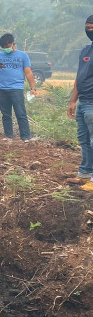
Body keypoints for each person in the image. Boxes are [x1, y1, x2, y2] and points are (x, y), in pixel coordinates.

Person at [0, 33, 36, 142]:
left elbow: (28, 72)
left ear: (13, 44)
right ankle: (8, 136)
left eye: (7, 46)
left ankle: (25, 137)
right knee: (6, 114)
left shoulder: (22, 56)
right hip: (2, 89)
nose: (6, 49)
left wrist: (33, 88)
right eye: (4, 47)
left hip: (16, 89)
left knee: (20, 113)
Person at [67, 15, 93, 191]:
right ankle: (84, 174)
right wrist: (72, 100)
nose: (88, 31)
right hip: (83, 102)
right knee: (84, 140)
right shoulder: (85, 51)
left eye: (91, 27)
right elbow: (79, 77)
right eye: (87, 27)